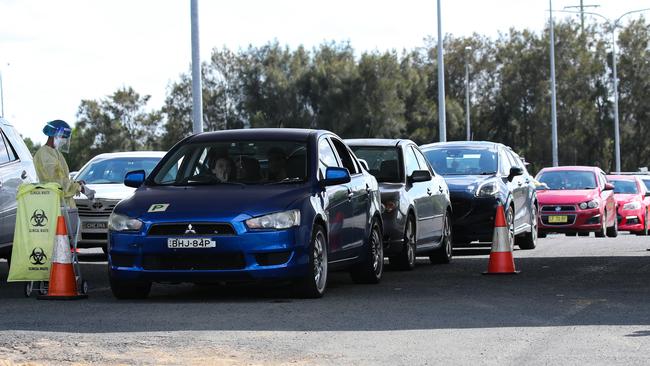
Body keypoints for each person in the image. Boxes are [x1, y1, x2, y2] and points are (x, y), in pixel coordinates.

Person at [33, 120, 94, 208]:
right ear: (54, 134)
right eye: (63, 137)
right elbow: (56, 181)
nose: (64, 140)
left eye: (66, 138)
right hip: (54, 203)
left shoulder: (55, 152)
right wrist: (80, 188)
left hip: (62, 202)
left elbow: (62, 177)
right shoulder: (44, 154)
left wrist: (75, 183)